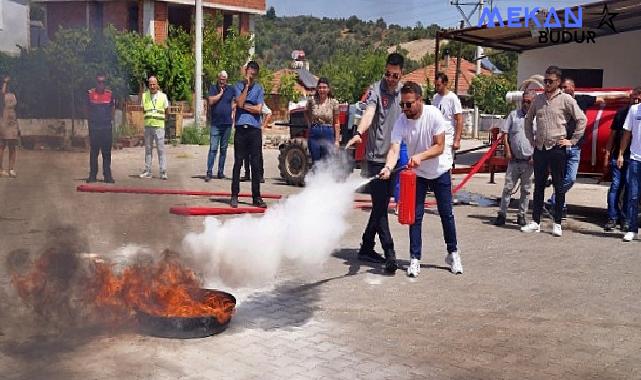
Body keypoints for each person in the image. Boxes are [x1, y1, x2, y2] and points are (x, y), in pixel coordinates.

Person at [380, 81, 463, 277]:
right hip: (418, 175)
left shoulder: (434, 114)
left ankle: (453, 253)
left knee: (446, 214)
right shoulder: (401, 121)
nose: (405, 109)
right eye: (402, 105)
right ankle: (414, 258)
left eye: (409, 104)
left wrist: (419, 156)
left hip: (439, 171)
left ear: (420, 100)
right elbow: (393, 149)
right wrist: (388, 167)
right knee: (415, 217)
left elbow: (439, 146)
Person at [346, 53, 405, 273]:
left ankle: (366, 246)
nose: (390, 79)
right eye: (388, 74)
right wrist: (360, 132)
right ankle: (390, 254)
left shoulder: (404, 92)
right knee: (381, 208)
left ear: (401, 74)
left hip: (395, 158)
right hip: (375, 159)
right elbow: (369, 113)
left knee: (380, 206)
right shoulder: (376, 90)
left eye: (395, 75)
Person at [521, 66, 587, 237]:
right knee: (539, 187)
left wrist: (571, 141)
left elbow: (582, 119)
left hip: (557, 149)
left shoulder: (566, 99)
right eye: (545, 81)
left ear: (558, 82)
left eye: (550, 81)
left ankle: (557, 223)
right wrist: (531, 139)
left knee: (559, 187)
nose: (547, 84)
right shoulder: (538, 99)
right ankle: (535, 222)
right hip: (540, 148)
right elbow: (528, 120)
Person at [546, 78, 605, 214]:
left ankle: (555, 196)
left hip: (575, 146)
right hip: (560, 145)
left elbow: (601, 100)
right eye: (561, 87)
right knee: (560, 176)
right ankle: (560, 206)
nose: (563, 89)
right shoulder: (558, 101)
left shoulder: (582, 100)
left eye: (565, 86)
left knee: (571, 178)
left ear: (573, 87)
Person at [495, 91, 535, 227]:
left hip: (528, 162)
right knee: (507, 188)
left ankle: (521, 215)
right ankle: (502, 214)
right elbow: (505, 133)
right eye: (524, 100)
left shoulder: (537, 119)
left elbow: (540, 138)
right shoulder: (513, 115)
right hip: (514, 160)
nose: (525, 103)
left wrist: (535, 155)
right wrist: (507, 149)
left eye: (529, 101)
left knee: (526, 190)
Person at [231, 61, 267, 209]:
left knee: (255, 164)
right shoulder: (238, 86)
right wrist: (246, 87)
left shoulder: (259, 88)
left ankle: (256, 197)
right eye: (249, 72)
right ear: (246, 71)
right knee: (238, 162)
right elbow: (238, 103)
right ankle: (234, 195)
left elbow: (259, 109)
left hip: (254, 130)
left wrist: (244, 106)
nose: (251, 75)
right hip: (241, 129)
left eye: (254, 73)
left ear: (256, 74)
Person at [604, 88, 641, 231]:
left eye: (638, 99)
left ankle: (626, 219)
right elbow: (613, 136)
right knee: (615, 187)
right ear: (630, 98)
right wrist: (608, 154)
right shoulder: (621, 113)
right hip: (619, 157)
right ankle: (612, 217)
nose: (636, 101)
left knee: (629, 189)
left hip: (634, 158)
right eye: (634, 98)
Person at [618, 90, 641, 241]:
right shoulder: (634, 110)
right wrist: (620, 154)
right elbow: (626, 134)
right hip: (635, 159)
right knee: (633, 195)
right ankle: (632, 229)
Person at [206, 70, 235, 181]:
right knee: (213, 149)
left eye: (224, 79)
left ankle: (220, 172)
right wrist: (220, 94)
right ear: (218, 78)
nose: (222, 80)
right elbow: (211, 101)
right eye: (221, 78)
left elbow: (236, 100)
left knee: (223, 149)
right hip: (215, 124)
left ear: (226, 80)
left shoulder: (231, 89)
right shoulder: (213, 88)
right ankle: (209, 172)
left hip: (227, 124)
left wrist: (233, 107)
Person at [86, 74, 115, 184]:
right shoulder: (90, 94)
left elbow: (112, 108)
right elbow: (87, 109)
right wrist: (90, 122)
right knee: (94, 153)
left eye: (103, 82)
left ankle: (107, 176)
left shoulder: (109, 94)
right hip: (94, 128)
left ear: (105, 83)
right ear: (96, 83)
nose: (101, 84)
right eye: (99, 82)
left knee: (106, 153)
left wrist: (110, 120)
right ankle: (92, 175)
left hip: (106, 128)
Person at [139, 75, 169, 180]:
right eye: (150, 84)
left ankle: (163, 172)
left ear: (157, 85)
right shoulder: (144, 96)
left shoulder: (163, 96)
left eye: (154, 84)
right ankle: (148, 171)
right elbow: (143, 110)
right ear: (148, 85)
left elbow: (166, 111)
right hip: (148, 126)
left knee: (161, 150)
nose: (152, 86)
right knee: (148, 149)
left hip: (159, 126)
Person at [305, 77, 340, 164]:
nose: (322, 90)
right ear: (317, 89)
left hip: (328, 133)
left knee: (327, 162)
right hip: (314, 134)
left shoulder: (334, 102)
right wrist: (309, 124)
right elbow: (306, 112)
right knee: (315, 163)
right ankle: (316, 178)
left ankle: (327, 178)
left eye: (324, 87)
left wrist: (337, 141)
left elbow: (336, 122)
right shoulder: (312, 101)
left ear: (328, 89)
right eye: (320, 87)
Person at [432, 72, 463, 157]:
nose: (436, 87)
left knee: (446, 163)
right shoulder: (435, 98)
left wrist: (457, 140)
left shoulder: (452, 98)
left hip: (448, 137)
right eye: (435, 85)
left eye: (438, 85)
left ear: (445, 83)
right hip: (437, 136)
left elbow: (459, 119)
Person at [242, 103, 271, 183]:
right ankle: (247, 174)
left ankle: (260, 176)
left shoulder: (258, 102)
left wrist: (263, 126)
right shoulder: (244, 100)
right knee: (246, 154)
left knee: (257, 154)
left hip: (255, 130)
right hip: (245, 129)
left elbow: (268, 113)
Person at [0, 76, 18, 178]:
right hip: (3, 121)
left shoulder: (14, 95)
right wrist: (5, 82)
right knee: (2, 146)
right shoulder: (2, 95)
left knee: (12, 147)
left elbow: (16, 108)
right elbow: (2, 94)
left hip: (12, 121)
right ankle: (0, 169)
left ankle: (11, 169)